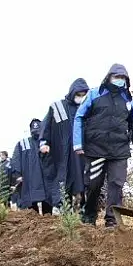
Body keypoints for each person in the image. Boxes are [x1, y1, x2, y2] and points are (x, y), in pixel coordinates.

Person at [73, 64, 133, 228]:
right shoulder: (94, 94)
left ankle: (112, 220)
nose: (119, 80)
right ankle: (89, 216)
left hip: (119, 151)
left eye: (122, 78)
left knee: (116, 185)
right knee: (93, 184)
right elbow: (79, 117)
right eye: (116, 77)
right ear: (109, 77)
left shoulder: (130, 101)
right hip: (96, 149)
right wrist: (78, 144)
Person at [39, 78, 90, 211]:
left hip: (81, 154)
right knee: (62, 180)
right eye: (78, 94)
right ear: (72, 92)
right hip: (60, 153)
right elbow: (46, 127)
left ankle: (80, 209)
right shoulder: (57, 107)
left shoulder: (88, 108)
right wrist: (44, 143)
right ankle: (61, 209)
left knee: (82, 181)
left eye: (83, 95)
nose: (80, 97)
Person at [10, 119, 58, 214]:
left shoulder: (48, 142)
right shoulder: (23, 144)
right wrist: (17, 175)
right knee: (31, 209)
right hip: (30, 181)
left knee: (47, 206)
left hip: (45, 180)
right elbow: (16, 159)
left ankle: (45, 222)